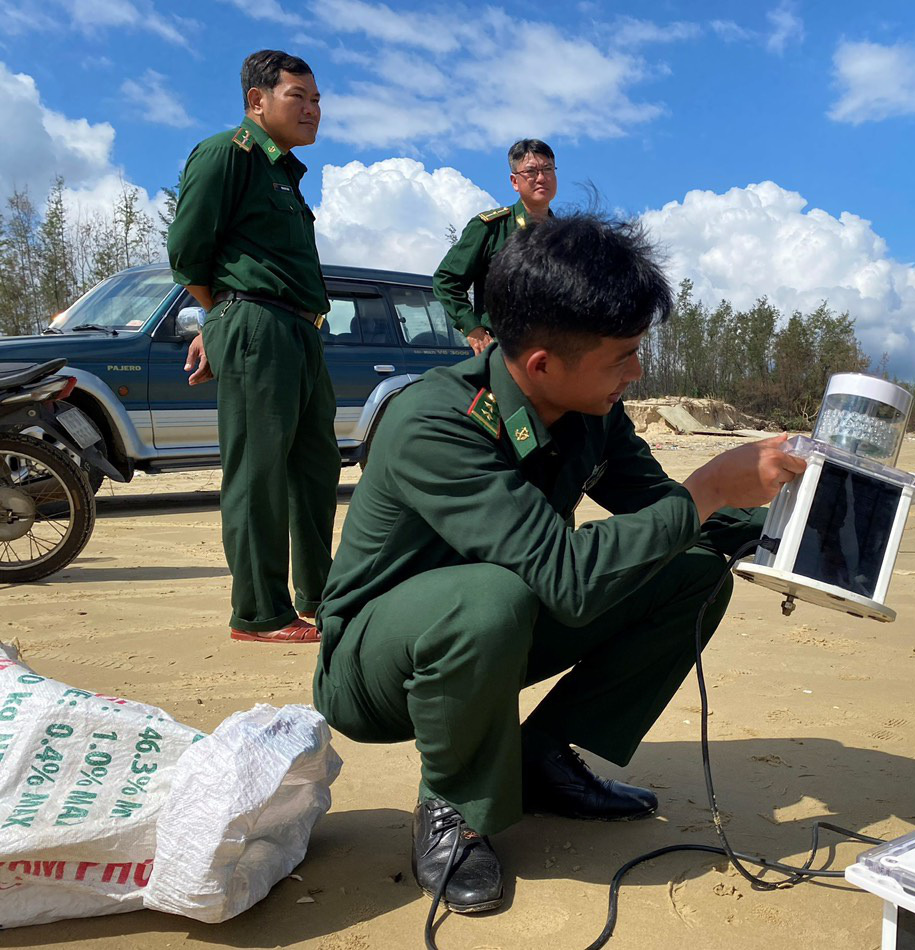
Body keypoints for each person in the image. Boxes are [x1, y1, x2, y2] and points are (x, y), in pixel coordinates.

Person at [312, 213, 805, 913]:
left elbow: (660, 512)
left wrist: (791, 536)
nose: (635, 373)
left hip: (500, 630)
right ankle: (455, 806)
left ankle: (541, 756)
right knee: (490, 599)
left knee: (690, 572)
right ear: (542, 362)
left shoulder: (591, 409)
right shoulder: (438, 421)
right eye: (622, 357)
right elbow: (567, 580)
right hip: (379, 666)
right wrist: (711, 487)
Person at [168, 50, 339, 644]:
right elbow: (188, 252)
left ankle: (322, 596)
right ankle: (260, 612)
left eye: (317, 100)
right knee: (257, 472)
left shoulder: (285, 172)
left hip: (299, 328)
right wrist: (223, 325)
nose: (313, 109)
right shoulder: (226, 154)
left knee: (316, 468)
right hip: (257, 324)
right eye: (299, 97)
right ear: (256, 101)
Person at [433, 139, 557, 354]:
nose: (541, 178)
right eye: (531, 171)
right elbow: (446, 280)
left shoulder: (568, 238)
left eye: (547, 169)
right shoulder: (491, 228)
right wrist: (473, 329)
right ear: (514, 181)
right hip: (505, 352)